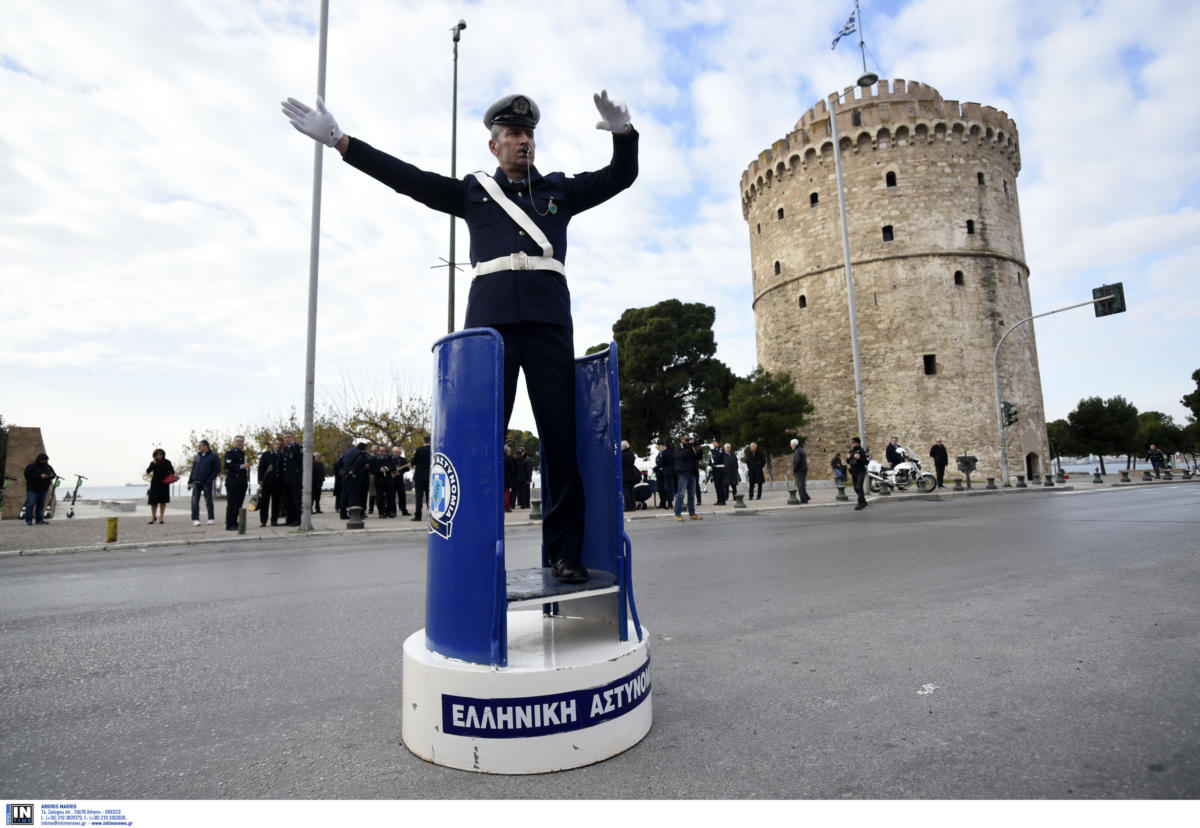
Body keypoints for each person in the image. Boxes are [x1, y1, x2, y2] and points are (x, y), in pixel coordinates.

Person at [282, 89, 637, 585]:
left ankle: (564, 552)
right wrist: (342, 142)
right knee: (481, 445)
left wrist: (623, 134)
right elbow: (409, 180)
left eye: (528, 134)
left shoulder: (560, 190)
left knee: (560, 442)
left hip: (549, 324)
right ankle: (477, 549)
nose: (523, 141)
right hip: (489, 330)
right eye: (513, 134)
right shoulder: (474, 193)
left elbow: (622, 176)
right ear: (494, 146)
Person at [188, 440, 220, 526]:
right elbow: (193, 470)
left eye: (200, 446)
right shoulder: (197, 457)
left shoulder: (214, 456)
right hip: (196, 482)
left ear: (206, 446)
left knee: (208, 500)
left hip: (207, 482)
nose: (199, 447)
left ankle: (211, 518)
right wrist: (190, 481)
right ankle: (195, 519)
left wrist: (210, 479)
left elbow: (217, 469)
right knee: (194, 501)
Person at [223, 435, 250, 530]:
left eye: (241, 441)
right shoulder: (230, 453)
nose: (239, 443)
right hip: (233, 482)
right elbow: (227, 465)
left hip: (242, 482)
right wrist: (241, 466)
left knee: (239, 504)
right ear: (234, 442)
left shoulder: (244, 453)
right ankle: (230, 524)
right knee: (232, 504)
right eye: (238, 441)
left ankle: (235, 522)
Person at [673, 434, 702, 521]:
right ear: (681, 439)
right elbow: (682, 456)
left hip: (692, 473)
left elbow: (698, 457)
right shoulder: (678, 447)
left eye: (689, 438)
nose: (688, 440)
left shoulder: (691, 447)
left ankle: (692, 514)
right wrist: (689, 446)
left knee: (692, 495)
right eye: (686, 439)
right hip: (683, 473)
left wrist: (699, 449)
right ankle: (677, 514)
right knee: (680, 494)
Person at [23, 453, 56, 525]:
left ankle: (39, 520)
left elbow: (54, 474)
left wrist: (51, 475)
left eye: (45, 460)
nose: (44, 462)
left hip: (44, 489)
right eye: (42, 460)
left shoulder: (48, 467)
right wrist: (40, 476)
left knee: (41, 505)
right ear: (38, 460)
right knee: (30, 504)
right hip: (32, 490)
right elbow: (27, 476)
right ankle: (29, 520)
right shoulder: (31, 467)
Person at [257, 439, 284, 526]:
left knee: (276, 503)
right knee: (264, 502)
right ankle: (263, 521)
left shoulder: (282, 456)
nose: (278, 446)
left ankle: (274, 520)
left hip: (278, 483)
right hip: (267, 482)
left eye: (280, 444)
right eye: (277, 444)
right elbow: (261, 467)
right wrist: (260, 479)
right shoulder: (266, 454)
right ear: (274, 445)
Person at [280, 431, 304, 526]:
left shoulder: (298, 448)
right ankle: (289, 519)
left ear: (292, 438)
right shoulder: (286, 449)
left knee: (296, 500)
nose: (287, 439)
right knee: (287, 501)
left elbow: (302, 463)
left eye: (288, 437)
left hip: (295, 479)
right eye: (285, 437)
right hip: (286, 479)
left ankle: (297, 520)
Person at [340, 442, 370, 514]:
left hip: (345, 476)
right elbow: (360, 462)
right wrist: (354, 470)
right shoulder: (360, 453)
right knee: (354, 496)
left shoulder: (347, 452)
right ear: (364, 448)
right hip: (354, 477)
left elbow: (340, 462)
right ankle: (354, 514)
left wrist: (344, 471)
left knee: (344, 495)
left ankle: (343, 513)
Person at [145, 449, 174, 524]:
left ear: (163, 455)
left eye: (160, 454)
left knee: (163, 501)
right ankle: (153, 517)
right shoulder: (153, 463)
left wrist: (168, 474)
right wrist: (153, 464)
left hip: (164, 483)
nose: (159, 456)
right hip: (155, 483)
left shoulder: (167, 462)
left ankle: (161, 517)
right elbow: (148, 471)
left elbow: (172, 471)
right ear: (154, 456)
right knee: (153, 502)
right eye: (157, 455)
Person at [410, 434, 432, 522]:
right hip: (429, 476)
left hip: (419, 476)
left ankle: (418, 516)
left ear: (423, 441)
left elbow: (413, 462)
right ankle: (431, 515)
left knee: (419, 497)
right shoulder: (433, 450)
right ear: (430, 441)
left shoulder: (418, 450)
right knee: (429, 497)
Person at [847, 437, 869, 510]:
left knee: (859, 487)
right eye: (852, 443)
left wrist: (860, 458)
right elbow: (848, 462)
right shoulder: (851, 451)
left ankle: (860, 503)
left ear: (858, 443)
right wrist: (848, 458)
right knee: (855, 488)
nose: (852, 444)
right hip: (854, 472)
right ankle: (863, 501)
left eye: (854, 442)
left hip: (861, 471)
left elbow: (866, 462)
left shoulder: (862, 451)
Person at [654, 438, 676, 510]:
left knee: (668, 488)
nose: (657, 446)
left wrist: (656, 468)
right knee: (666, 488)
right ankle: (666, 502)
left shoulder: (664, 453)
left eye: (658, 445)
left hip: (665, 472)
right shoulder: (674, 451)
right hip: (672, 472)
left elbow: (661, 463)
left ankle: (669, 503)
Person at [390, 446, 410, 516]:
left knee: (402, 495)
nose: (398, 453)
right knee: (392, 496)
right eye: (396, 452)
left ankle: (403, 510)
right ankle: (393, 511)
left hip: (400, 479)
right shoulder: (389, 458)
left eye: (399, 452)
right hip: (391, 480)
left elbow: (407, 469)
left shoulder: (403, 459)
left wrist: (406, 467)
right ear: (393, 452)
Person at [621, 440, 639, 512]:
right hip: (632, 475)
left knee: (626, 492)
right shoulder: (632, 454)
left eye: (621, 446)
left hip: (625, 475)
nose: (620, 448)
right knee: (631, 492)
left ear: (624, 446)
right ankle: (633, 507)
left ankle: (627, 507)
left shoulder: (622, 455)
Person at [790, 438, 809, 503]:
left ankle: (804, 500)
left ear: (793, 444)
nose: (791, 446)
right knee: (802, 484)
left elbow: (797, 461)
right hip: (803, 469)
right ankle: (806, 497)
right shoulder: (801, 449)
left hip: (799, 470)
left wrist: (794, 469)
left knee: (800, 485)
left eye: (791, 445)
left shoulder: (797, 451)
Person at [710, 440, 728, 505]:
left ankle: (722, 501)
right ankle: (719, 500)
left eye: (715, 442)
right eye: (713, 443)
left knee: (720, 485)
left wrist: (713, 464)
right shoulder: (712, 451)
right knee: (717, 485)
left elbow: (718, 458)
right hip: (714, 469)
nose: (714, 444)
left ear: (718, 443)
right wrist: (710, 465)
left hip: (720, 469)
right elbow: (711, 459)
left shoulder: (721, 450)